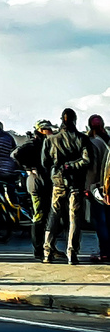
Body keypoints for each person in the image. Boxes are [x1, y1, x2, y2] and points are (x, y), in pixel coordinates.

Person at [42, 107, 92, 265]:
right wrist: (71, 165)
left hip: (58, 181)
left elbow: (45, 162)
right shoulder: (82, 139)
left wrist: (57, 169)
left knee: (54, 214)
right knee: (74, 218)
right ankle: (72, 252)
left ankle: (47, 251)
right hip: (75, 182)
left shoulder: (50, 139)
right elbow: (87, 160)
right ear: (75, 120)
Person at [14, 120, 55, 261]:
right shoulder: (33, 144)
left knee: (47, 216)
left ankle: (46, 246)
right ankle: (38, 249)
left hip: (43, 182)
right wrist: (27, 168)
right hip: (37, 183)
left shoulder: (44, 142)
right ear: (42, 130)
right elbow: (15, 154)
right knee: (39, 216)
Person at [86, 115, 109, 263]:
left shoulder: (94, 143)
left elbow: (93, 169)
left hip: (99, 188)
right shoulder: (107, 140)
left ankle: (105, 252)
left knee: (101, 221)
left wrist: (88, 186)